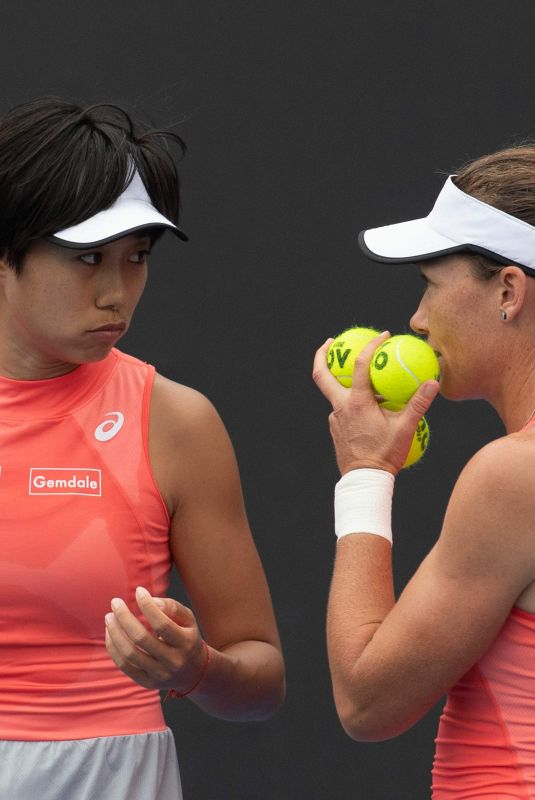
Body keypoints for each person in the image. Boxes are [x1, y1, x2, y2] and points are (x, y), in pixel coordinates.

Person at [0, 97, 285, 800]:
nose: (117, 293)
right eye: (87, 258)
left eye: (137, 258)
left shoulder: (176, 422)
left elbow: (261, 680)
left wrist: (194, 669)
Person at [313, 146, 535, 798]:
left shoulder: (512, 477)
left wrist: (364, 470)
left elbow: (366, 701)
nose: (415, 319)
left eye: (429, 285)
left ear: (507, 290)